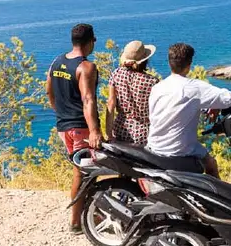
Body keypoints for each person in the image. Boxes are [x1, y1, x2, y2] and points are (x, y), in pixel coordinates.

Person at [147, 43, 231, 178]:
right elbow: (230, 98)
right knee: (211, 164)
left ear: (170, 63)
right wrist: (215, 105)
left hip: (155, 146)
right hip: (180, 149)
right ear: (189, 64)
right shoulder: (194, 88)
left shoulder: (157, 88)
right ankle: (214, 191)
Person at [46, 23, 102, 234]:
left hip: (64, 126)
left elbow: (49, 91)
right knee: (83, 173)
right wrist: (94, 130)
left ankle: (90, 213)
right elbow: (88, 99)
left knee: (82, 170)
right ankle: (77, 222)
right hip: (81, 128)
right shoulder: (86, 67)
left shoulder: (56, 62)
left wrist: (60, 112)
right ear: (91, 41)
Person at [106, 40, 159, 146]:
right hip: (144, 133)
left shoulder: (116, 74)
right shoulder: (152, 82)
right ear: (145, 60)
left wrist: (108, 134)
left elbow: (111, 104)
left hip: (121, 128)